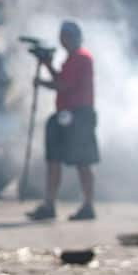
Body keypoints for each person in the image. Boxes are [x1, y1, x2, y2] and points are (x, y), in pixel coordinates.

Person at [26, 21, 99, 222]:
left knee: (83, 161)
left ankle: (88, 204)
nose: (63, 40)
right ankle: (49, 203)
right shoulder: (71, 59)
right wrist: (48, 65)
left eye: (66, 36)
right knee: (54, 160)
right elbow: (62, 80)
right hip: (66, 114)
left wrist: (42, 82)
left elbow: (64, 85)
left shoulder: (81, 58)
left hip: (79, 115)